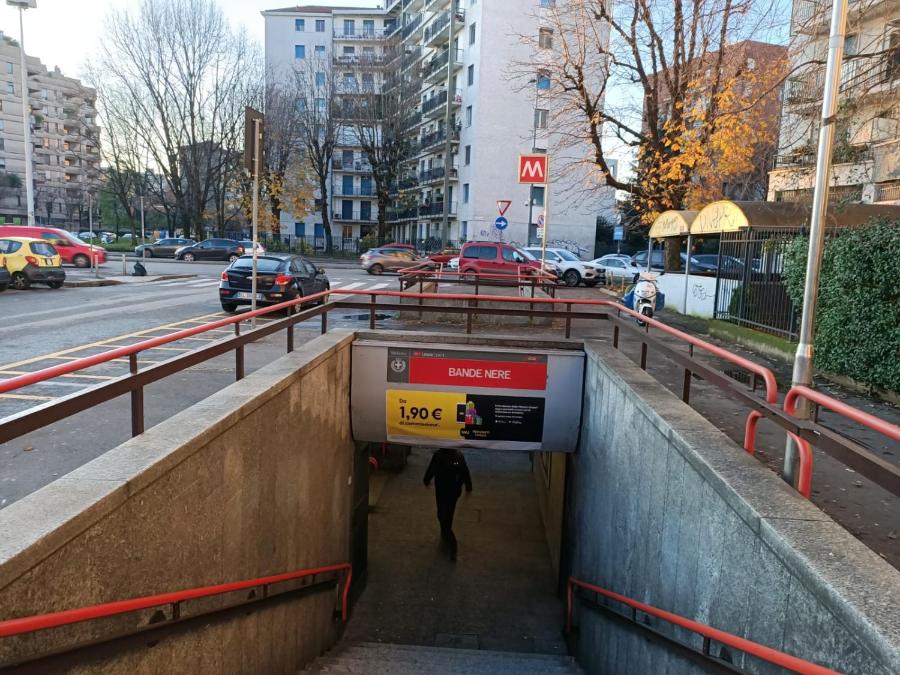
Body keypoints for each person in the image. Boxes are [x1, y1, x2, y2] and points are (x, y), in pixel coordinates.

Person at [423, 448, 473, 561]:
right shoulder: (458, 455)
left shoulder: (438, 455)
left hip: (442, 490)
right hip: (454, 490)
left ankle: (452, 542)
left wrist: (426, 480)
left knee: (441, 514)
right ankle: (445, 534)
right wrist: (468, 486)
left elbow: (431, 469)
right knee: (449, 513)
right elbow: (465, 471)